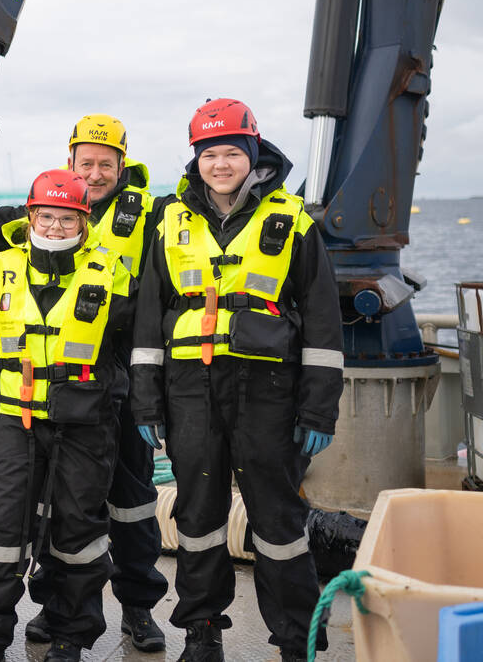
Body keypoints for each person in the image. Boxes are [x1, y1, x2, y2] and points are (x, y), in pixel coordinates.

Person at [0, 114, 169, 651]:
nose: (93, 172)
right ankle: (38, 618)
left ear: (122, 165)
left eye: (104, 164)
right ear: (69, 164)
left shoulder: (153, 216)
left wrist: (150, 398)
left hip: (106, 396)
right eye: (84, 163)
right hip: (25, 411)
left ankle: (135, 609)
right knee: (37, 517)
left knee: (123, 510)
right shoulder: (15, 258)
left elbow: (158, 307)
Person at [129, 98, 342, 662]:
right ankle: (202, 633)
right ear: (195, 158)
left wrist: (318, 411)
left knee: (277, 520)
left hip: (268, 392)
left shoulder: (294, 223)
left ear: (253, 155)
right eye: (209, 153)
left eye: (230, 152)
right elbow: (150, 322)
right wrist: (147, 405)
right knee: (197, 517)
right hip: (189, 391)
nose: (220, 164)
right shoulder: (167, 221)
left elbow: (323, 326)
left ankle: (298, 640)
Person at [0, 169, 135, 662]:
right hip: (14, 420)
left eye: (67, 219)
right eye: (47, 217)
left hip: (84, 422)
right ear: (31, 215)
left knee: (77, 532)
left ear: (84, 221)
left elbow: (131, 343)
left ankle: (68, 636)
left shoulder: (112, 271)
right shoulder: (5, 267)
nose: (55, 228)